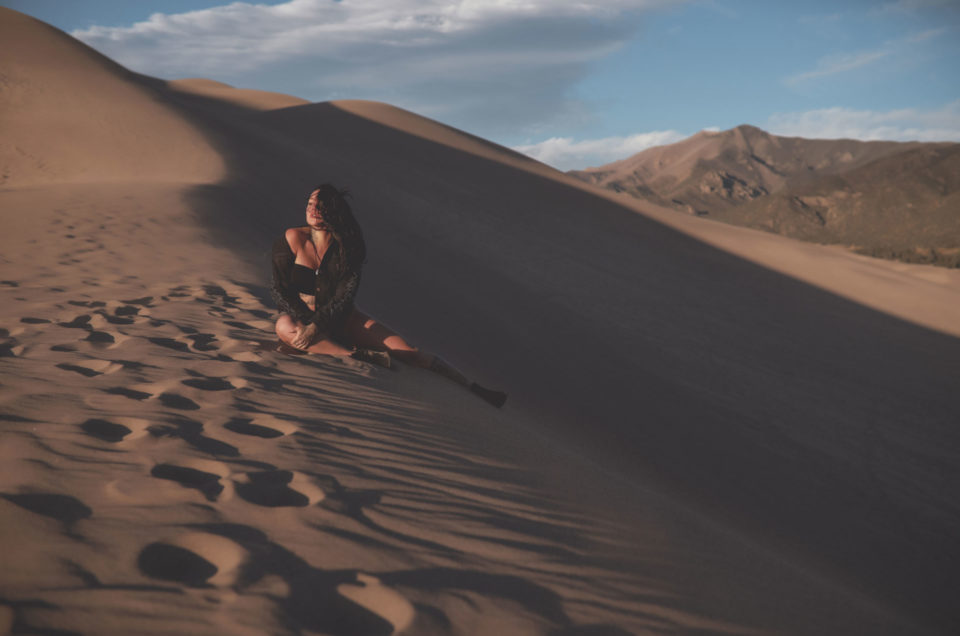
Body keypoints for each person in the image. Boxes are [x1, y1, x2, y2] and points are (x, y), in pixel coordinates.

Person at [272, 184, 507, 408]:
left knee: (409, 353)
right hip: (303, 318)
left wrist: (318, 326)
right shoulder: (293, 238)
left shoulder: (348, 247)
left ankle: (474, 387)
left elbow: (345, 297)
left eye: (319, 205)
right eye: (310, 203)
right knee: (284, 326)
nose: (311, 209)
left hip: (343, 319)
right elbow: (281, 289)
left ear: (333, 210)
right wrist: (309, 324)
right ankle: (356, 355)